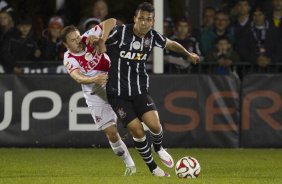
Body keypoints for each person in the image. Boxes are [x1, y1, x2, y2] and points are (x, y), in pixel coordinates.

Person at [102, 2, 200, 177]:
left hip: (139, 91)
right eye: (141, 19)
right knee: (137, 130)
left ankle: (159, 147)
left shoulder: (152, 36)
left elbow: (171, 44)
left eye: (149, 20)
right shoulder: (120, 33)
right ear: (135, 19)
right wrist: (99, 42)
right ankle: (153, 168)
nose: (144, 23)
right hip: (117, 94)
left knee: (155, 125)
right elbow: (103, 33)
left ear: (153, 22)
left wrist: (188, 54)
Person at [60, 18, 136, 176]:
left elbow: (112, 21)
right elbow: (78, 77)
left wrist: (102, 39)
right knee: (111, 133)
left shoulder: (87, 37)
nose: (78, 41)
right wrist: (94, 79)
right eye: (73, 40)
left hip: (112, 78)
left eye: (78, 37)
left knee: (133, 118)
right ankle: (129, 163)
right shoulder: (69, 58)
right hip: (94, 90)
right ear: (66, 45)